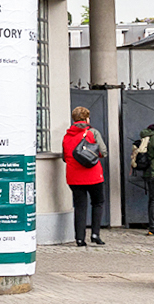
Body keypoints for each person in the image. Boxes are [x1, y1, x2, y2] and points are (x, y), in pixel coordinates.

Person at [61, 106, 107, 247]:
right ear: (87, 119)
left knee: (80, 207)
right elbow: (103, 152)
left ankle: (80, 239)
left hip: (74, 176)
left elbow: (64, 157)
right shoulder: (92, 132)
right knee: (97, 203)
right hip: (93, 175)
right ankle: (95, 234)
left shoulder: (67, 136)